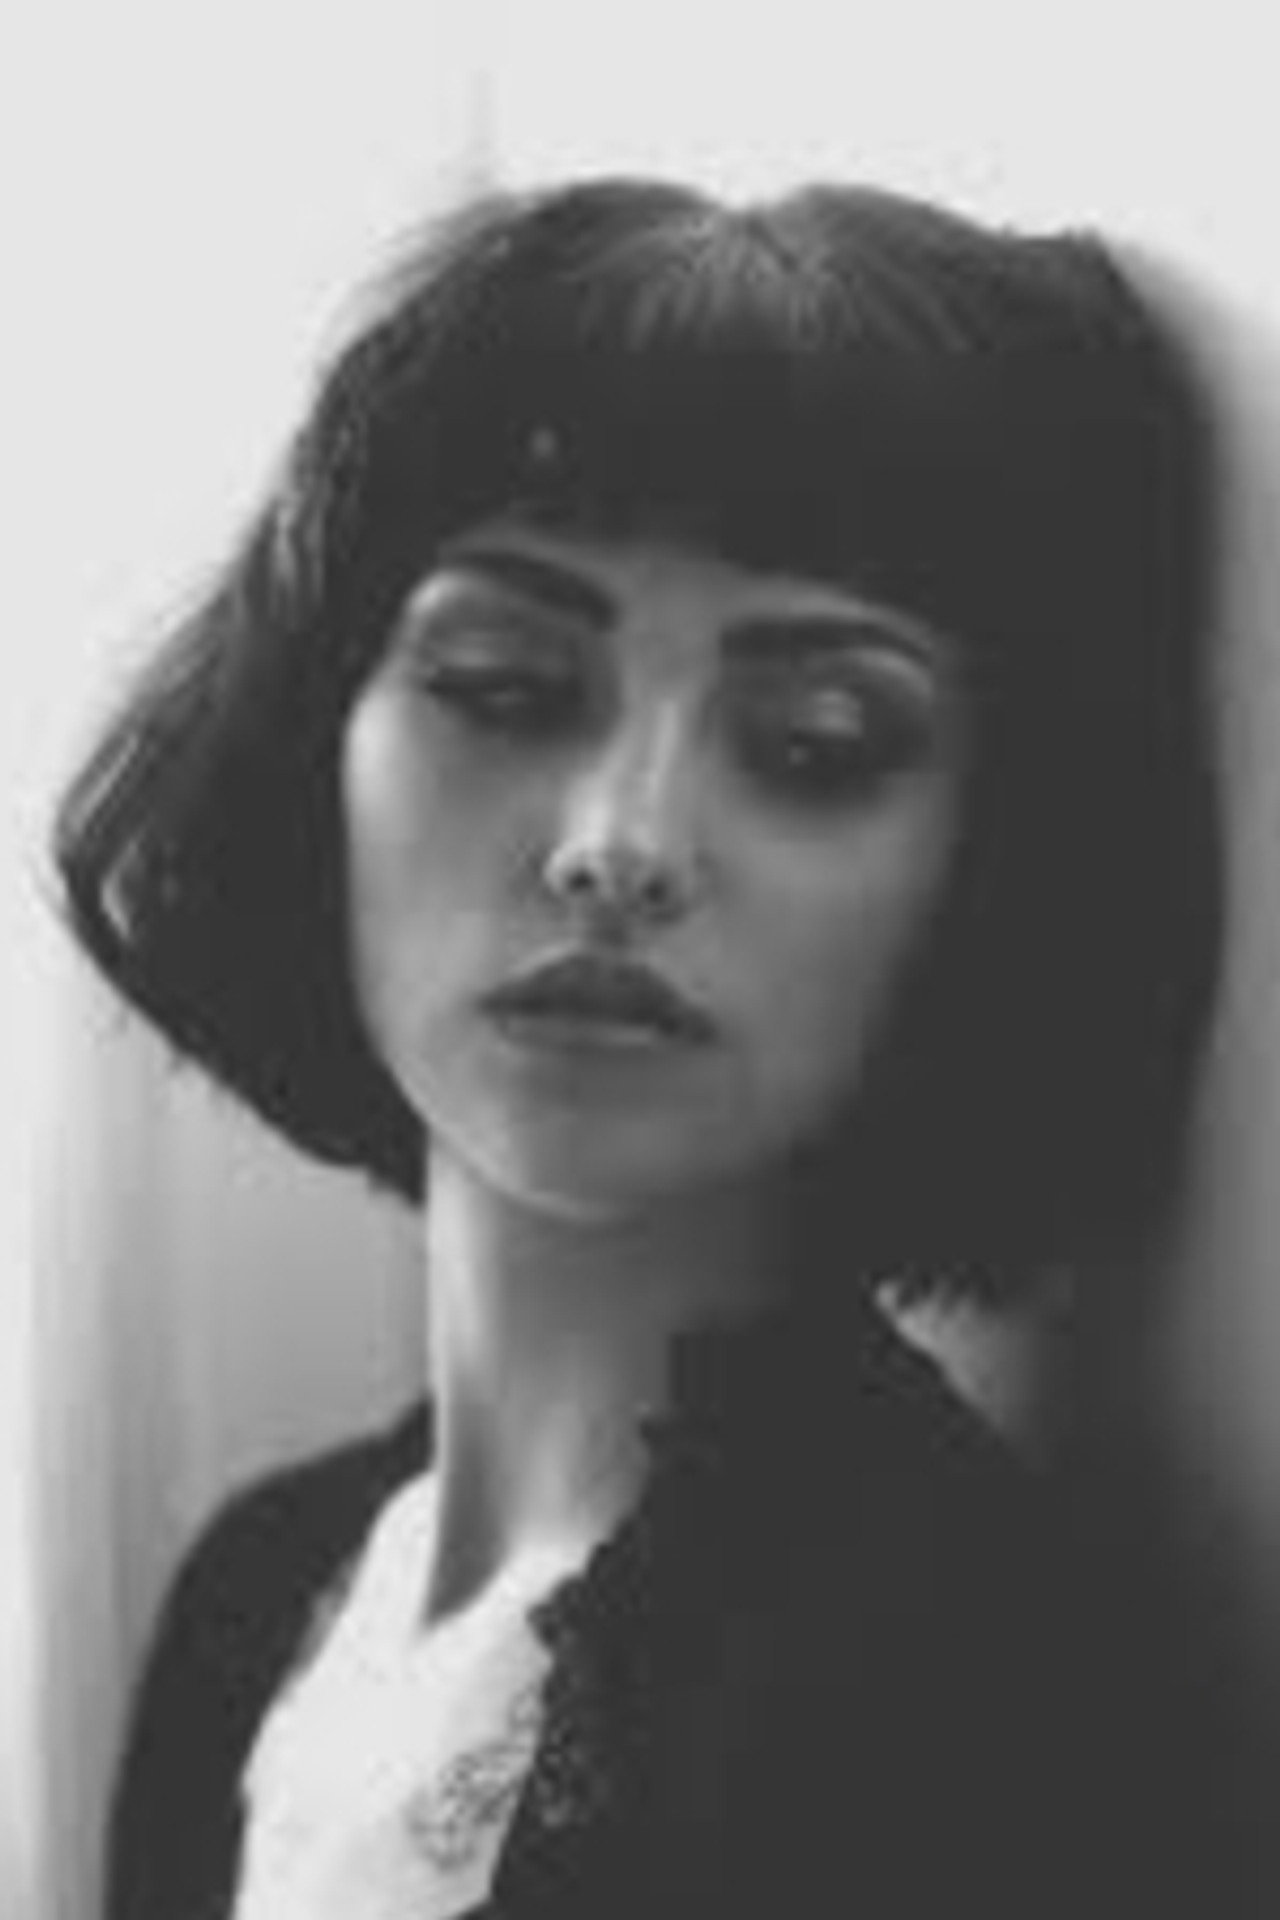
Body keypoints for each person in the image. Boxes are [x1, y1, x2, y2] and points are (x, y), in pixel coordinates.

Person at [53, 176, 1227, 1919]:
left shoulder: (979, 1697)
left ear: (992, 869)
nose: (619, 842)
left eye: (815, 741)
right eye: (505, 685)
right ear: (317, 750)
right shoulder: (258, 1589)